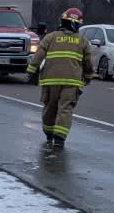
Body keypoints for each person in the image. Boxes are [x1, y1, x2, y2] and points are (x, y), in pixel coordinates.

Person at [26, 8, 93, 150]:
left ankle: (49, 135)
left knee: (50, 107)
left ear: (62, 21)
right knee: (65, 109)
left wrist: (30, 72)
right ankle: (59, 140)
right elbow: (88, 61)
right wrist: (88, 76)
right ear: (77, 24)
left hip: (50, 80)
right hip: (71, 82)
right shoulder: (82, 41)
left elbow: (38, 56)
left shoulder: (50, 37)